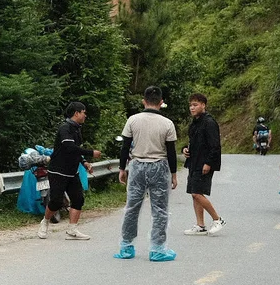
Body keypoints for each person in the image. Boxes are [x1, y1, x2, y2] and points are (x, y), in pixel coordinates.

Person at [115, 86, 178, 262]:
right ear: (161, 102)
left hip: (137, 167)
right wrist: (173, 174)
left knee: (132, 207)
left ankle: (126, 247)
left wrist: (122, 169)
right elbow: (171, 152)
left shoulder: (132, 120)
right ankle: (157, 249)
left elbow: (125, 147)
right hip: (159, 167)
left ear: (144, 101)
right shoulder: (167, 124)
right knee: (160, 209)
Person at [39, 101, 102, 241]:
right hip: (58, 170)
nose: (85, 115)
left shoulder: (77, 129)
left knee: (78, 199)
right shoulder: (65, 128)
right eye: (84, 112)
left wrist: (84, 161)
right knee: (56, 201)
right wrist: (91, 152)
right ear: (76, 113)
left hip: (72, 171)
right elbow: (69, 147)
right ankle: (45, 222)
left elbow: (75, 150)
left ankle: (72, 230)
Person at [183, 93, 225, 236]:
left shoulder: (209, 122)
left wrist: (208, 163)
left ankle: (217, 219)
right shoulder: (194, 123)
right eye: (191, 105)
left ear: (203, 105)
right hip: (194, 162)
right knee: (194, 194)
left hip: (204, 163)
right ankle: (200, 225)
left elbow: (215, 146)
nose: (192, 108)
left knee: (197, 193)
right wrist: (185, 149)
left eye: (195, 105)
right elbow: (191, 142)